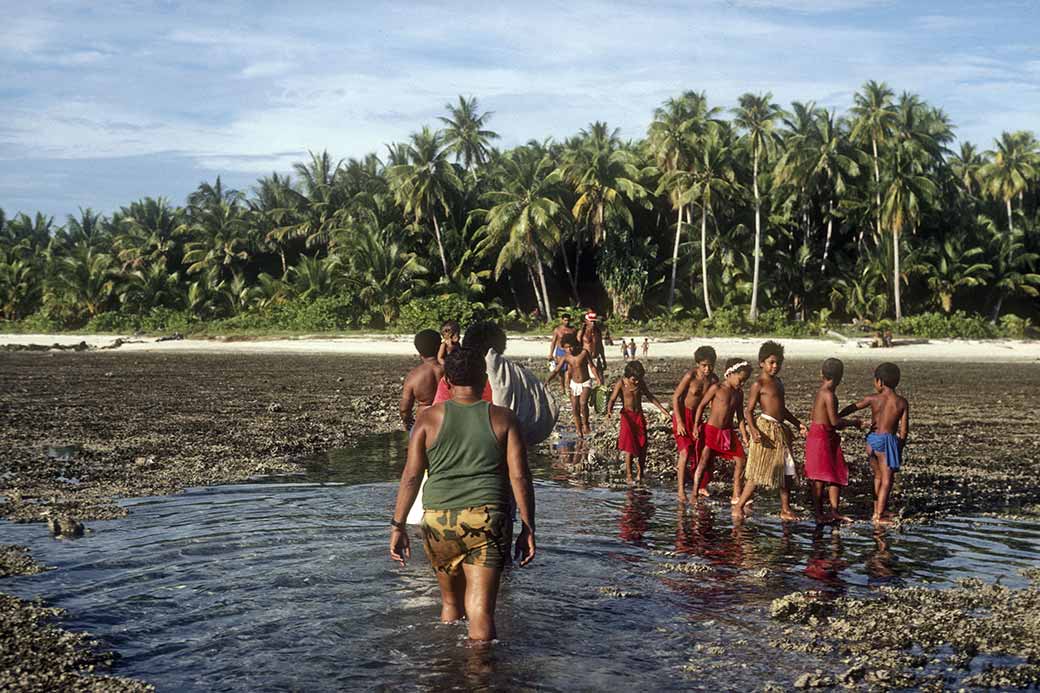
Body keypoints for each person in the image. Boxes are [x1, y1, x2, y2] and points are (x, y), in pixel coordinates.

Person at [389, 348, 536, 642]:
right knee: (481, 612)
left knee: (450, 604)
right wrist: (528, 527)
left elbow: (411, 477)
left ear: (447, 380)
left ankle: (446, 669)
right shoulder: (504, 419)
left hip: (438, 520)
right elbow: (519, 476)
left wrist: (398, 525)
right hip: (488, 519)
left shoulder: (427, 420)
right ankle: (480, 677)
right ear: (484, 379)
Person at [734, 342, 808, 521]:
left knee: (786, 470)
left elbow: (783, 410)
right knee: (758, 471)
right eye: (771, 362)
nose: (775, 366)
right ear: (762, 363)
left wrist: (798, 424)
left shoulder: (779, 382)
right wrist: (753, 430)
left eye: (778, 363)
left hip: (779, 429)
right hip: (765, 429)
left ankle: (785, 509)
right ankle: (739, 506)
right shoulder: (758, 384)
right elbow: (748, 411)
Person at [838, 362, 909, 525]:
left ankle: (877, 509)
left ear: (880, 382)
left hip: (871, 440)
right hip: (886, 442)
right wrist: (899, 446)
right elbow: (904, 431)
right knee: (887, 480)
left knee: (877, 476)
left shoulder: (873, 399)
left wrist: (838, 415)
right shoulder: (901, 402)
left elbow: (854, 406)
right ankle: (879, 515)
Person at [805, 358, 861, 525]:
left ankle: (833, 511)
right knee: (820, 477)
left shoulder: (821, 392)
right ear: (840, 377)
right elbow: (835, 422)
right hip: (821, 437)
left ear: (821, 374)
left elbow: (815, 415)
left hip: (822, 435)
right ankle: (820, 513)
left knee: (836, 472)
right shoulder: (829, 395)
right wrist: (853, 423)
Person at [692, 358, 753, 504]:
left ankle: (736, 495)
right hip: (712, 430)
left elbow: (740, 417)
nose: (742, 383)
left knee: (741, 460)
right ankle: (694, 492)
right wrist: (696, 426)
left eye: (745, 381)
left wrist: (744, 435)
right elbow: (701, 406)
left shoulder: (739, 394)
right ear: (730, 373)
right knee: (704, 461)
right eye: (741, 379)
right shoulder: (717, 388)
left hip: (727, 433)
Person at [605, 360, 669, 484]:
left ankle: (640, 473)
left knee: (642, 444)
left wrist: (662, 409)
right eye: (634, 379)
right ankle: (629, 475)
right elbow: (612, 399)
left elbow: (650, 396)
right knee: (629, 446)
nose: (636, 382)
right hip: (627, 417)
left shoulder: (640, 383)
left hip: (638, 416)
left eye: (638, 379)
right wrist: (609, 411)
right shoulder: (621, 384)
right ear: (628, 377)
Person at [671, 346, 718, 502]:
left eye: (710, 365)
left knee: (700, 452)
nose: (707, 369)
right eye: (704, 365)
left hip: (698, 418)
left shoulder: (713, 380)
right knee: (685, 452)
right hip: (684, 415)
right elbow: (676, 398)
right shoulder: (690, 376)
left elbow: (713, 403)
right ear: (698, 364)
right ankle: (680, 490)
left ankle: (700, 486)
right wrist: (679, 422)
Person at [548, 333, 602, 436]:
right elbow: (556, 370)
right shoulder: (566, 357)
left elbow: (592, 366)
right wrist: (548, 381)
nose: (570, 349)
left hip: (586, 382)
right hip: (574, 384)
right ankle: (578, 428)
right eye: (567, 347)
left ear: (575, 345)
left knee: (583, 403)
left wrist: (598, 379)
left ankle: (586, 424)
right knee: (575, 407)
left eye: (571, 346)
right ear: (563, 348)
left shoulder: (584, 353)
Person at [399, 329, 444, 430]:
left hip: (425, 423)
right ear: (440, 346)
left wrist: (408, 423)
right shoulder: (451, 370)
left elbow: (404, 409)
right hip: (448, 421)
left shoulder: (414, 376)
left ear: (419, 350)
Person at [547, 314, 576, 385]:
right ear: (562, 320)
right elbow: (553, 342)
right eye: (565, 320)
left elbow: (576, 342)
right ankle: (562, 387)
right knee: (560, 371)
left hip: (569, 351)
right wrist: (551, 354)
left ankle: (567, 387)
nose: (567, 322)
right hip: (560, 351)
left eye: (568, 320)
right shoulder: (557, 330)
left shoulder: (573, 330)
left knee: (569, 371)